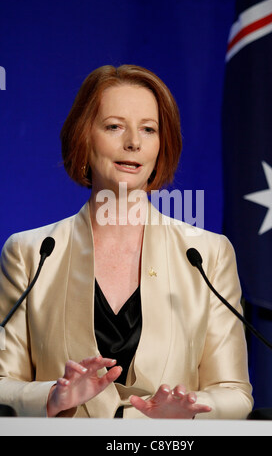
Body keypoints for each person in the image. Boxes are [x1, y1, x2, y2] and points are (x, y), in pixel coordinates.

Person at [0, 65, 253, 419]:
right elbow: (2, 382)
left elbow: (235, 393)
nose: (133, 142)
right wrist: (52, 396)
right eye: (114, 126)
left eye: (148, 129)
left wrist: (190, 411)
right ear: (84, 138)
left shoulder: (207, 254)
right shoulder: (30, 253)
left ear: (162, 145)